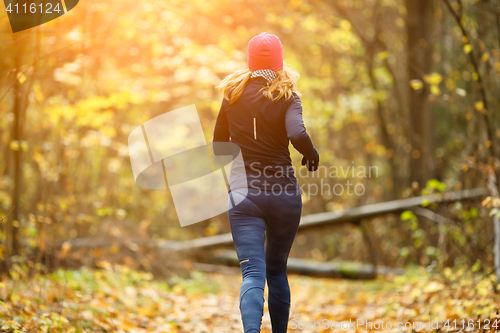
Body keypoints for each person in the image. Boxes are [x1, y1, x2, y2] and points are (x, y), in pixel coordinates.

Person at [213, 32, 319, 333]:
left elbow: (219, 145)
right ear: (279, 61)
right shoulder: (288, 96)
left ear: (250, 60)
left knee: (252, 273)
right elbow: (297, 133)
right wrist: (311, 154)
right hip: (284, 195)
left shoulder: (231, 95)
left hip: (244, 196)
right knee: (276, 271)